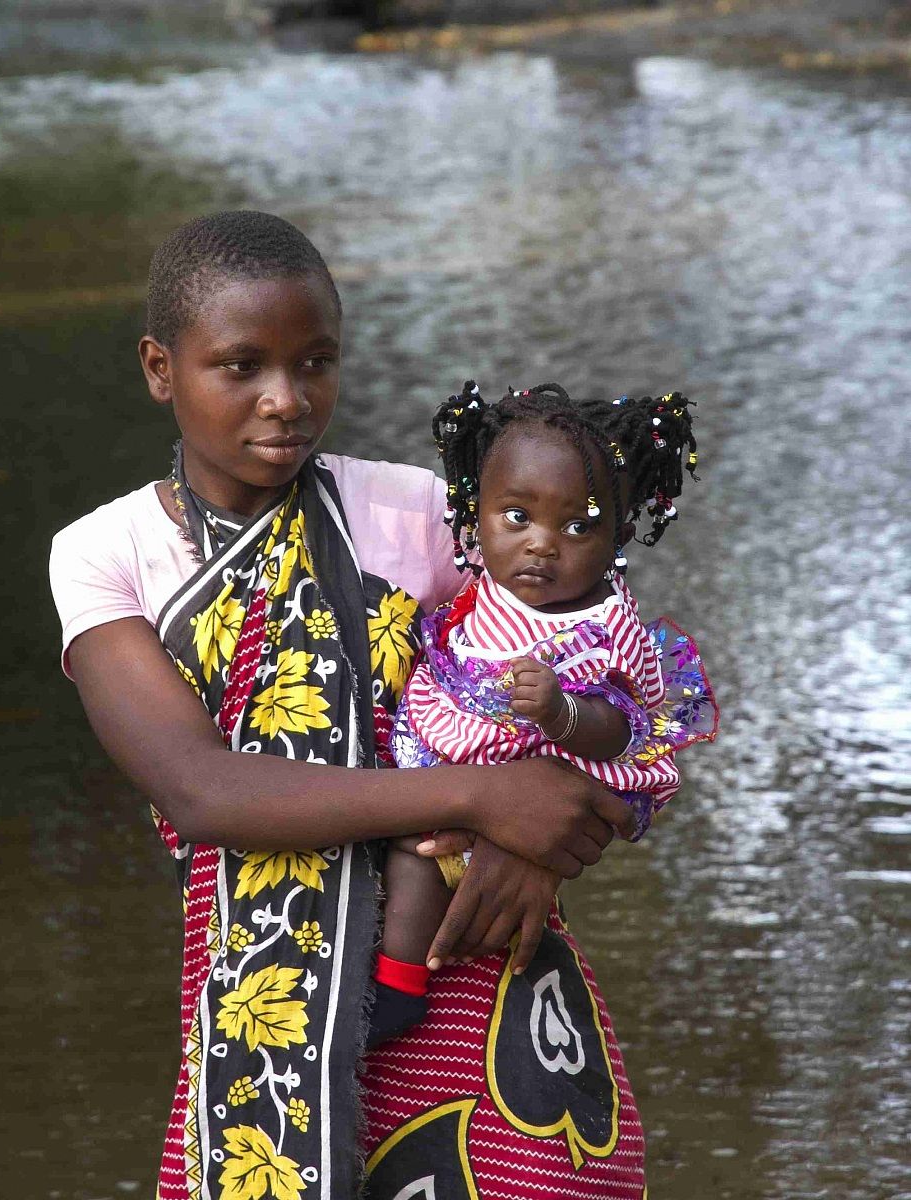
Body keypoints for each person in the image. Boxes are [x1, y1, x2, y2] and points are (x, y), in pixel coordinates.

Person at [48, 210, 655, 1200]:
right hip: (262, 1004)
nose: (286, 399)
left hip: (464, 951)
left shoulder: (412, 509)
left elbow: (593, 663)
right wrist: (478, 799)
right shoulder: (103, 554)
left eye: (315, 363)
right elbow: (200, 790)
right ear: (161, 368)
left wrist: (531, 842)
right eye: (240, 366)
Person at [372, 380, 720, 1053]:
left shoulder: (605, 627)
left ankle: (399, 988)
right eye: (517, 517)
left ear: (619, 534)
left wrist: (563, 714)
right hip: (454, 756)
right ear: (475, 516)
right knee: (408, 858)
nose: (542, 544)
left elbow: (626, 727)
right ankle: (395, 980)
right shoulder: (485, 586)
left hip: (542, 779)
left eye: (578, 526)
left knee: (422, 866)